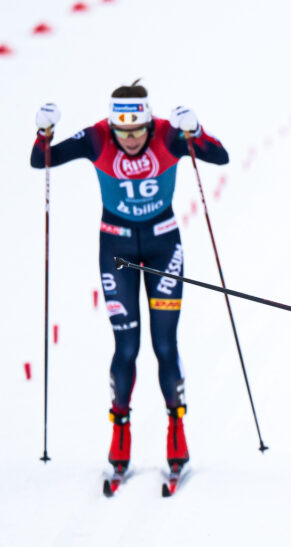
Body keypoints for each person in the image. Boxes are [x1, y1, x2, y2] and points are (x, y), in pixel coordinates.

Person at [30, 80, 229, 482]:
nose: (132, 140)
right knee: (126, 346)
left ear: (148, 123)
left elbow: (218, 156)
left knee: (165, 344)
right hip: (116, 250)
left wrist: (195, 131)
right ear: (112, 126)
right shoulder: (96, 137)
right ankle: (120, 432)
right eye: (123, 132)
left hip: (163, 246)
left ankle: (176, 430)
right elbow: (42, 160)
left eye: (138, 131)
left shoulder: (167, 135)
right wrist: (43, 133)